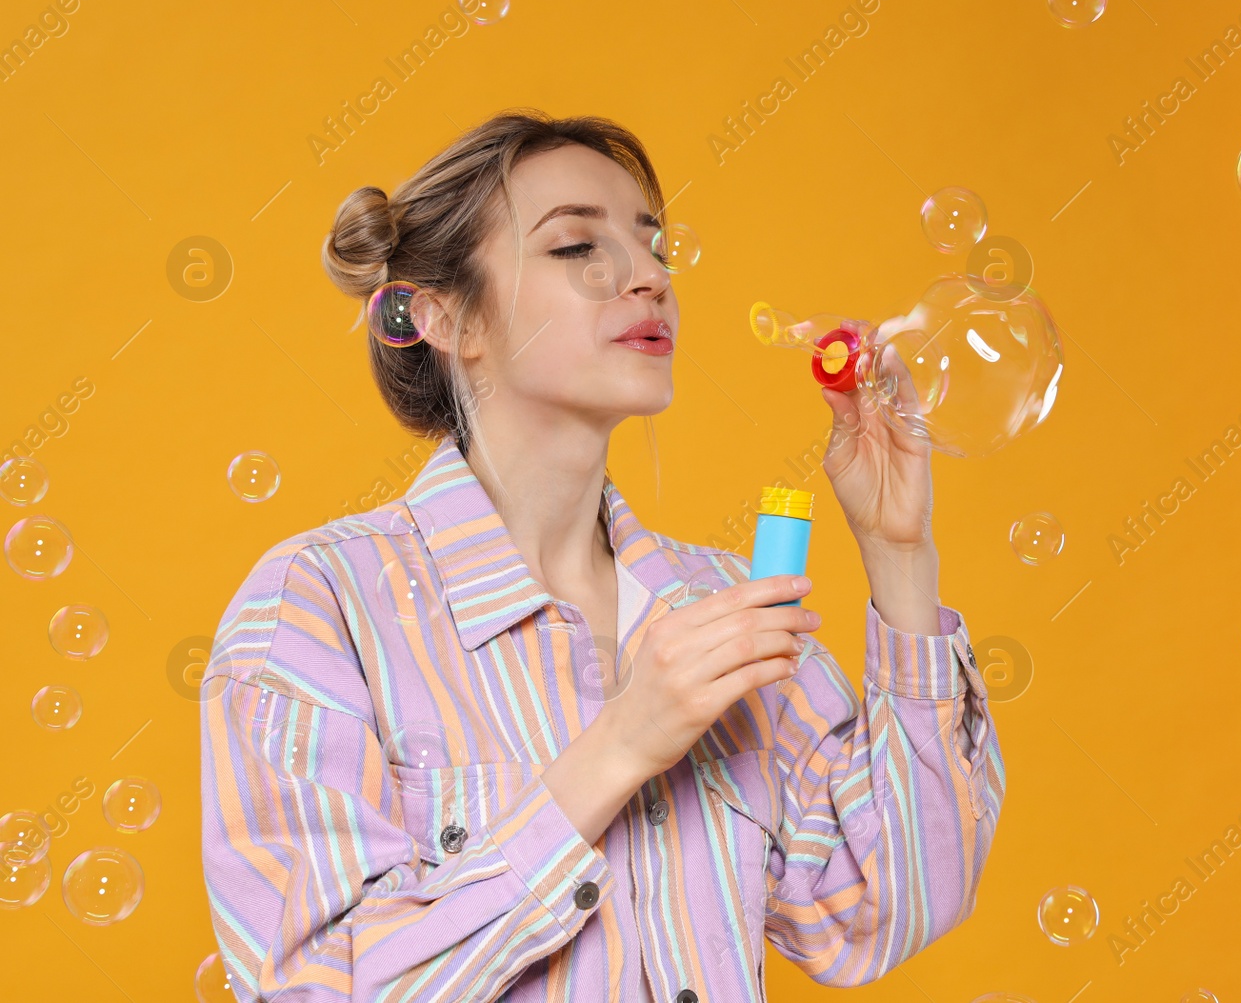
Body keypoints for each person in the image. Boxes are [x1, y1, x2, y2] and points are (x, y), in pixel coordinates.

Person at [199, 109, 1003, 1002]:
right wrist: (622, 741)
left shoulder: (720, 604)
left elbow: (884, 908)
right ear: (447, 318)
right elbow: (311, 986)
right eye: (578, 246)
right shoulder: (321, 607)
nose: (647, 276)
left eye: (651, 243)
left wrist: (899, 556)